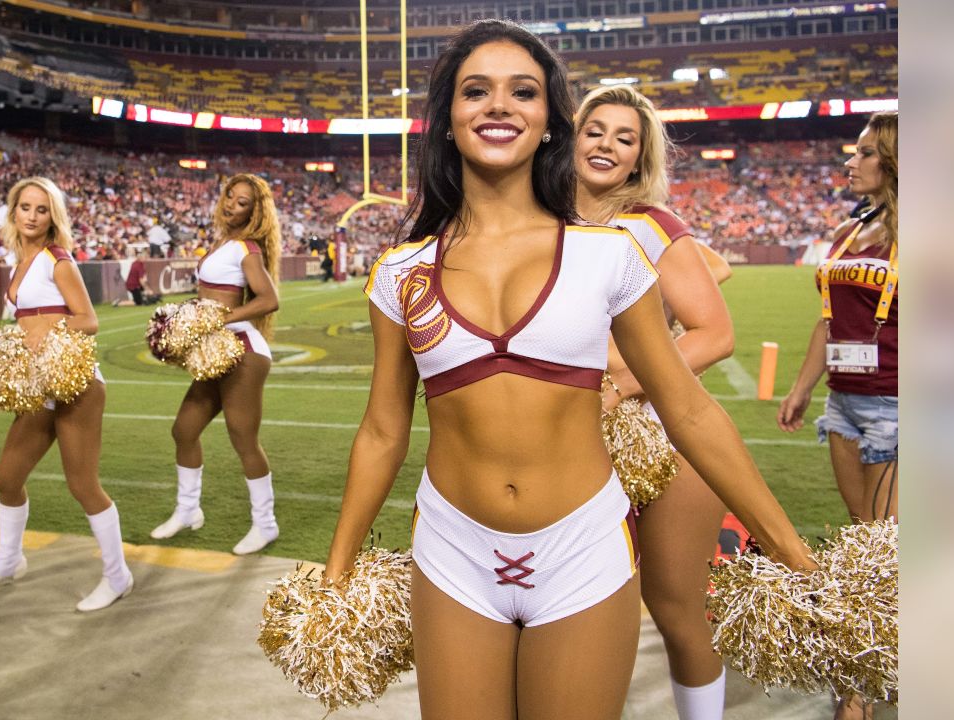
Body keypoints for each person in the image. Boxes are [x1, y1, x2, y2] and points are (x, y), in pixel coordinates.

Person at [321, 20, 816, 720]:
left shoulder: (609, 257)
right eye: (475, 91)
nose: (498, 105)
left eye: (522, 92)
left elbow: (689, 409)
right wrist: (338, 571)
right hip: (454, 549)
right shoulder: (399, 273)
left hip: (583, 547)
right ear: (448, 119)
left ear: (550, 123)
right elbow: (380, 431)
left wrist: (792, 550)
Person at [573, 84, 735, 720]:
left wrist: (625, 380)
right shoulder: (534, 218)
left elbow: (716, 334)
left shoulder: (652, 224)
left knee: (677, 607)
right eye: (596, 130)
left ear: (641, 158)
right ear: (572, 136)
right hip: (565, 435)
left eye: (625, 138)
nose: (607, 145)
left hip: (662, 432)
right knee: (575, 603)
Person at [0, 177, 133, 612]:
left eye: (42, 209)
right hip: (40, 386)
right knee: (6, 478)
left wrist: (46, 327)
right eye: (25, 207)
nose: (33, 216)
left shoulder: (58, 259)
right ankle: (8, 561)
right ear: (13, 212)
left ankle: (118, 576)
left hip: (77, 385)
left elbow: (89, 320)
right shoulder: (17, 262)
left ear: (52, 216)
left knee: (82, 484)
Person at [777, 112, 897, 720]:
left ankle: (861, 690)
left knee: (880, 549)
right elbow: (830, 320)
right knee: (861, 536)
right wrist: (802, 387)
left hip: (898, 404)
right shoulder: (855, 230)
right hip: (845, 403)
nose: (850, 162)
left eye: (866, 153)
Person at [149, 173, 282, 555]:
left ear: (255, 212)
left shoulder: (247, 248)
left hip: (241, 350)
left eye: (242, 202)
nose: (231, 205)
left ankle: (265, 524)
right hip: (216, 351)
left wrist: (218, 319)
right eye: (230, 197)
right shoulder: (224, 243)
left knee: (243, 438)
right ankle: (188, 510)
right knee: (184, 430)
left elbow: (268, 299)